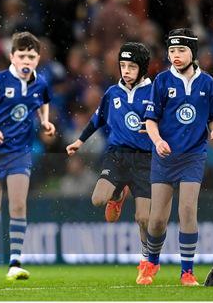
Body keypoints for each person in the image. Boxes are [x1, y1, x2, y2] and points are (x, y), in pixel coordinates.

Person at [140, 28, 213, 286]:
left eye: (181, 50)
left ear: (193, 53)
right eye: (172, 50)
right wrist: (158, 141)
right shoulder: (162, 81)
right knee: (156, 220)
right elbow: (150, 121)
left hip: (193, 156)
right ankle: (151, 262)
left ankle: (187, 272)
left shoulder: (207, 83)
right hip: (165, 156)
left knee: (187, 211)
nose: (175, 55)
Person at [66, 42, 153, 284]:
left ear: (143, 68)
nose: (126, 71)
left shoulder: (155, 92)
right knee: (97, 199)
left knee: (144, 219)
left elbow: (164, 124)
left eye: (131, 66)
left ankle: (146, 262)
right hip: (116, 156)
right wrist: (79, 142)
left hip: (145, 160)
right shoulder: (113, 92)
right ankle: (117, 195)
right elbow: (97, 120)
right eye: (123, 66)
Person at [0, 32, 55, 280]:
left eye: (31, 56)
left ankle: (15, 263)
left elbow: (43, 100)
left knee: (19, 205)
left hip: (19, 152)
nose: (26, 61)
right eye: (22, 56)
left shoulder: (40, 83)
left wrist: (45, 121)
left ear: (38, 59)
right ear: (11, 56)